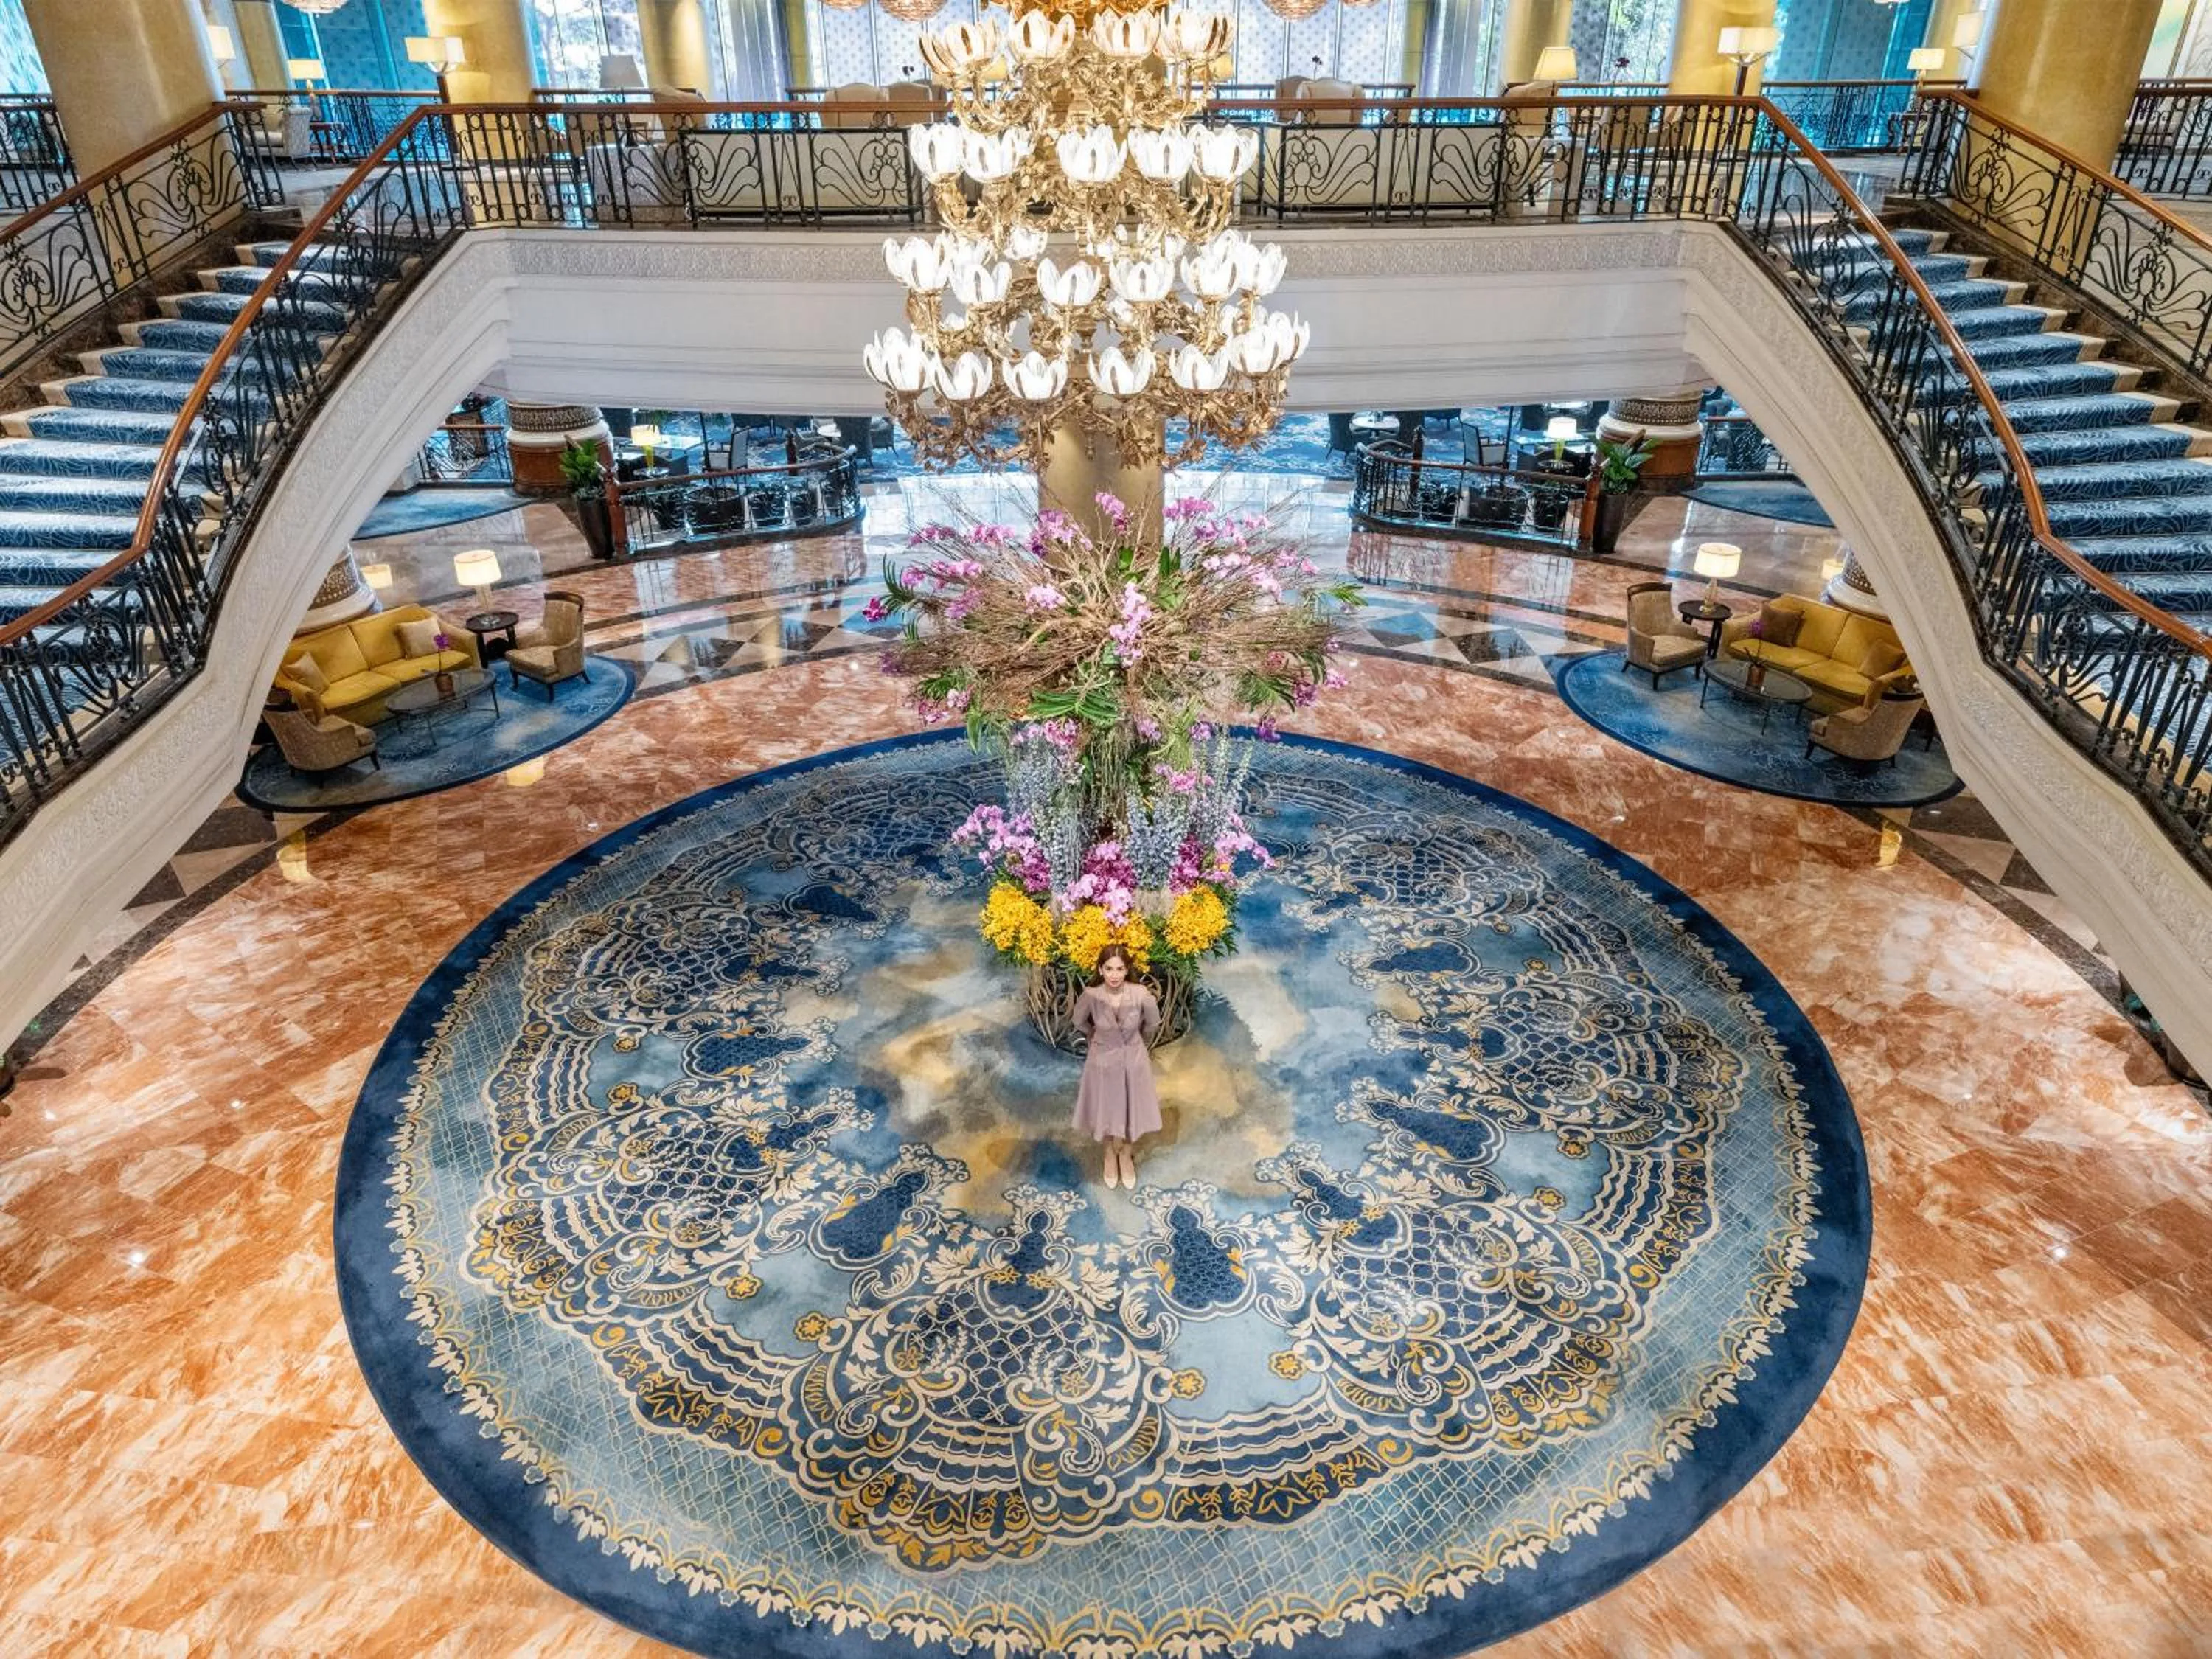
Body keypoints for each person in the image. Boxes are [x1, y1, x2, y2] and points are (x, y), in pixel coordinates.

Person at [1071, 943, 1161, 1189]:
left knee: (1133, 1108)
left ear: (1127, 970)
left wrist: (1140, 1044)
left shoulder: (1141, 993)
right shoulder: (1091, 995)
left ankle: (1126, 1154)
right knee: (1106, 1108)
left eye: (1120, 969)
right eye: (1109, 968)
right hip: (1102, 1061)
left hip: (1134, 1060)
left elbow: (1152, 1023)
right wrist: (1094, 1038)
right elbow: (1078, 1020)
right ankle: (1110, 1153)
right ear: (1100, 970)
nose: (1114, 974)